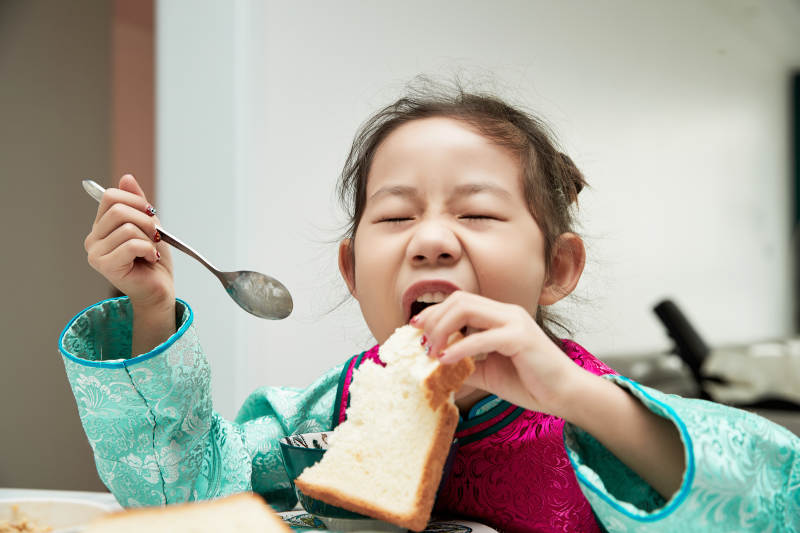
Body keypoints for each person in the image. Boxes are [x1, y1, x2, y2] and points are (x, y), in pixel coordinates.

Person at [59, 85, 800, 532]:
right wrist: (151, 309)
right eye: (395, 216)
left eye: (476, 214)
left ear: (558, 268)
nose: (433, 240)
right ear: (352, 269)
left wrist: (583, 398)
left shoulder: (597, 421)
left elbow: (776, 500)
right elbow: (177, 495)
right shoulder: (322, 418)